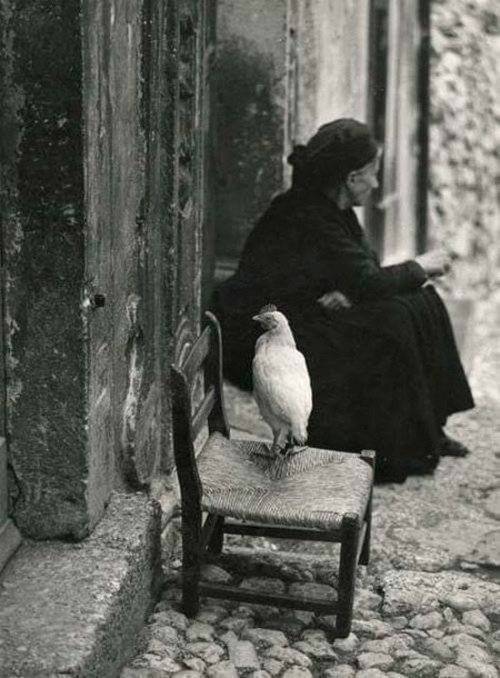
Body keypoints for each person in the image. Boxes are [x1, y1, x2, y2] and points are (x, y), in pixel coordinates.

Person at [211, 118, 474, 482]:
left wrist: (350, 289)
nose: (377, 183)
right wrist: (420, 265)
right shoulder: (308, 214)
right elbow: (366, 279)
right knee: (394, 320)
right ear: (351, 179)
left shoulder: (335, 210)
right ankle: (400, 447)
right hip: (266, 330)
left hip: (309, 308)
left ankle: (429, 429)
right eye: (373, 173)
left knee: (420, 300)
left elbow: (363, 273)